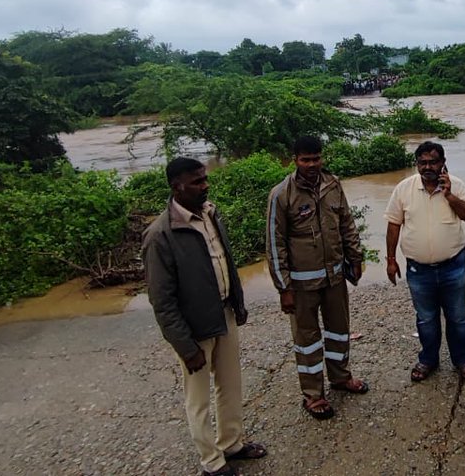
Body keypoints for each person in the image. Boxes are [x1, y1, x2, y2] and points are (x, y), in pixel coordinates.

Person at [144, 157, 266, 476]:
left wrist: (237, 304)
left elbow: (225, 261)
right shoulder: (161, 235)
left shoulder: (211, 213)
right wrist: (186, 346)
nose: (204, 185)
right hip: (193, 328)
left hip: (223, 313)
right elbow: (162, 301)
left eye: (204, 179)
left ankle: (232, 444)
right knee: (197, 399)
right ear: (176, 186)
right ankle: (211, 462)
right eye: (196, 181)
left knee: (230, 384)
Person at [267, 135, 369, 420]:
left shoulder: (333, 185)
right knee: (308, 340)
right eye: (306, 160)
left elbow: (346, 223)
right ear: (294, 160)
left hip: (334, 278)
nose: (312, 164)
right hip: (301, 285)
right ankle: (313, 395)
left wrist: (356, 258)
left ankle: (341, 377)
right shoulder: (281, 195)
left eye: (316, 158)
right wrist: (283, 288)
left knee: (339, 331)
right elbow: (275, 244)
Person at [384, 141, 465, 383]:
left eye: (433, 162)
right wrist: (390, 260)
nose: (428, 166)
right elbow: (393, 225)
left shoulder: (456, 185)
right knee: (426, 318)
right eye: (423, 162)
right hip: (418, 270)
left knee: (457, 317)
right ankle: (428, 359)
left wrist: (449, 196)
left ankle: (463, 359)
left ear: (443, 163)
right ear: (417, 164)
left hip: (453, 266)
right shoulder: (403, 189)